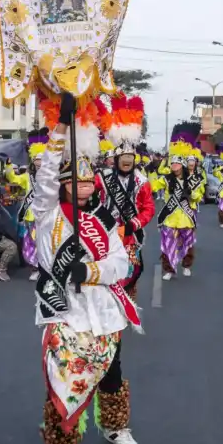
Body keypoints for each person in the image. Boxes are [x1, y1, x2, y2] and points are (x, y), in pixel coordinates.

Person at [33, 93, 143, 444]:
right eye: (74, 182)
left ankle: (115, 427)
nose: (83, 187)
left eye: (88, 182)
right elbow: (46, 170)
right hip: (64, 309)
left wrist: (90, 271)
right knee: (63, 376)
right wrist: (62, 125)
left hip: (104, 310)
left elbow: (120, 264)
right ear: (63, 184)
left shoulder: (104, 222)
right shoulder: (46, 213)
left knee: (111, 372)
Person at [94, 92, 155, 299]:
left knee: (130, 272)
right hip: (105, 233)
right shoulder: (102, 178)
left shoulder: (141, 181)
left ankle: (127, 304)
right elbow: (88, 196)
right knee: (106, 272)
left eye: (130, 157)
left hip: (129, 235)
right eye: (123, 157)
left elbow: (149, 208)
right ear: (117, 159)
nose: (127, 160)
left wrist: (132, 225)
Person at [152, 122, 203, 281]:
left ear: (182, 165)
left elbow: (198, 196)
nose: (174, 165)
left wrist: (191, 193)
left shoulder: (193, 179)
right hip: (170, 217)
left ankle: (186, 265)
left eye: (177, 163)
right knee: (168, 243)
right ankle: (169, 269)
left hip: (187, 217)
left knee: (188, 243)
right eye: (172, 163)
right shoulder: (166, 179)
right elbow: (152, 186)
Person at [5, 128, 49, 281]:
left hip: (46, 215)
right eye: (37, 159)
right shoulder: (27, 177)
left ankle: (45, 268)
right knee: (30, 242)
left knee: (45, 243)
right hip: (30, 216)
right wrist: (9, 166)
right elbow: (13, 179)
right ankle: (35, 268)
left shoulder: (51, 177)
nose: (39, 162)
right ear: (32, 160)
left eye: (42, 159)